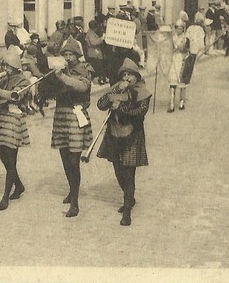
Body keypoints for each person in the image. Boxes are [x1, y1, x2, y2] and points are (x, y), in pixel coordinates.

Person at [97, 59, 152, 226]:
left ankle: (127, 210)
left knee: (129, 174)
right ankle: (130, 198)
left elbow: (140, 112)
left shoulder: (142, 92)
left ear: (136, 76)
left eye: (130, 75)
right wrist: (113, 93)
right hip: (114, 134)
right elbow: (100, 104)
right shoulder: (116, 88)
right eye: (124, 75)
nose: (127, 78)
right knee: (118, 171)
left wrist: (120, 108)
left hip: (132, 136)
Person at [43, 38, 94, 217]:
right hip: (61, 116)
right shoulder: (60, 70)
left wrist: (62, 77)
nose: (68, 57)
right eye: (65, 54)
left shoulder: (83, 69)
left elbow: (82, 87)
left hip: (75, 116)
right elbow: (48, 91)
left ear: (77, 55)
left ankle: (75, 202)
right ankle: (72, 190)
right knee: (65, 157)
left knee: (74, 161)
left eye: (70, 54)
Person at [0, 52, 35, 210]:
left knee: (11, 158)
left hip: (13, 119)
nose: (4, 68)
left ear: (14, 67)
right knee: (3, 157)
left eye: (7, 66)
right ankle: (19, 185)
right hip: (1, 118)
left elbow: (16, 96)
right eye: (4, 65)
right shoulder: (4, 79)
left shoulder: (23, 80)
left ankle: (5, 197)